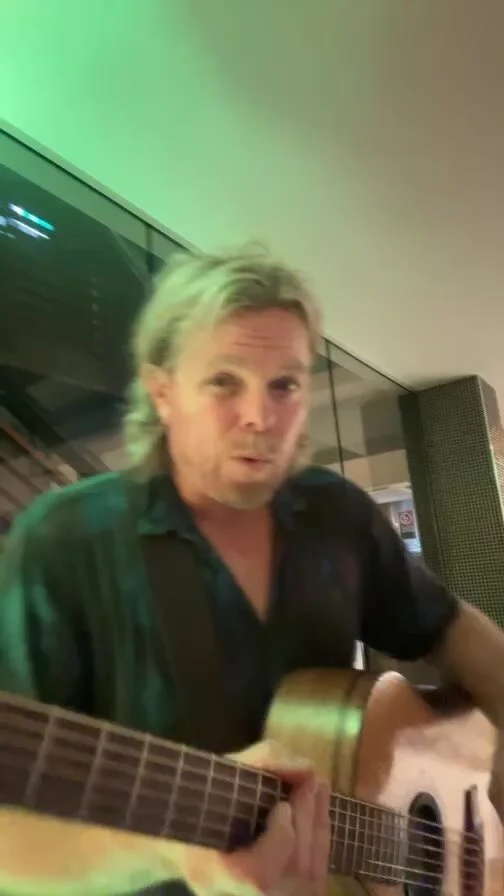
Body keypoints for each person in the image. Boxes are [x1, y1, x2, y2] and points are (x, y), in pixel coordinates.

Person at [0, 246, 503, 895]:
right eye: (223, 382)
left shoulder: (336, 515)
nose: (260, 418)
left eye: (284, 385)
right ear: (162, 392)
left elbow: (449, 626)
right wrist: (173, 855)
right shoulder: (65, 540)